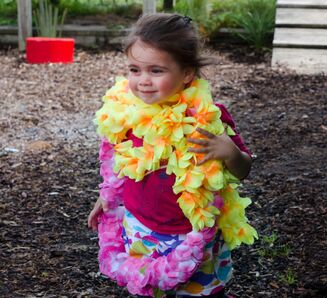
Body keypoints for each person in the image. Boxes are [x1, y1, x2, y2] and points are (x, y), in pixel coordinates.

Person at [87, 13, 257, 297]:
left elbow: (244, 169)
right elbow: (119, 166)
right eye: (134, 69)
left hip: (190, 236)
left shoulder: (208, 120)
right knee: (148, 288)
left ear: (187, 73)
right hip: (139, 228)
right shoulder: (126, 115)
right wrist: (106, 198)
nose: (143, 81)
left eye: (156, 71)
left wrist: (230, 152)